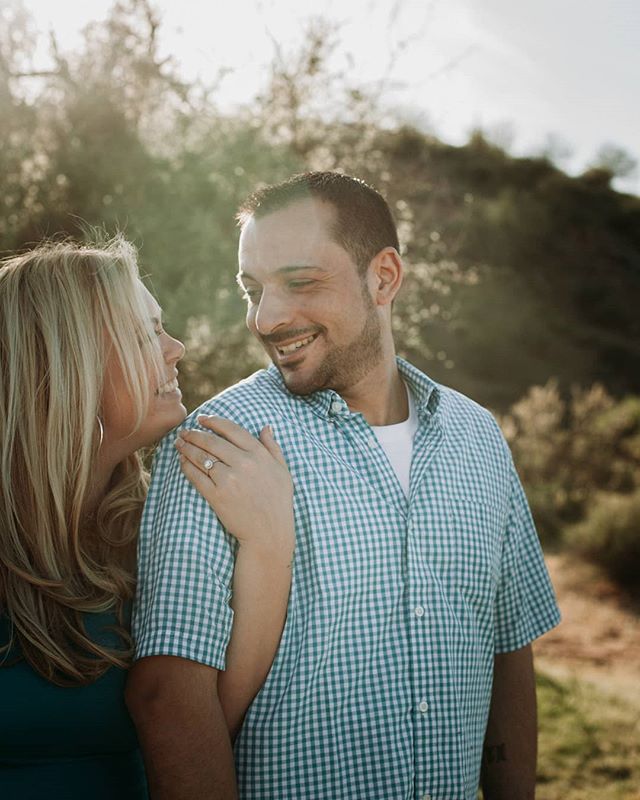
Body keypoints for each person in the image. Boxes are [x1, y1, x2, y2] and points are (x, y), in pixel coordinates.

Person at [128, 172, 561, 800]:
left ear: (383, 277)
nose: (267, 318)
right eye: (252, 290)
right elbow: (169, 696)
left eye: (301, 282)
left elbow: (507, 649)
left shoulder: (479, 438)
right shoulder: (217, 444)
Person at [0, 237, 294, 800]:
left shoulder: (159, 528)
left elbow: (205, 726)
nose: (176, 348)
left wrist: (268, 550)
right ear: (65, 364)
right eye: (144, 334)